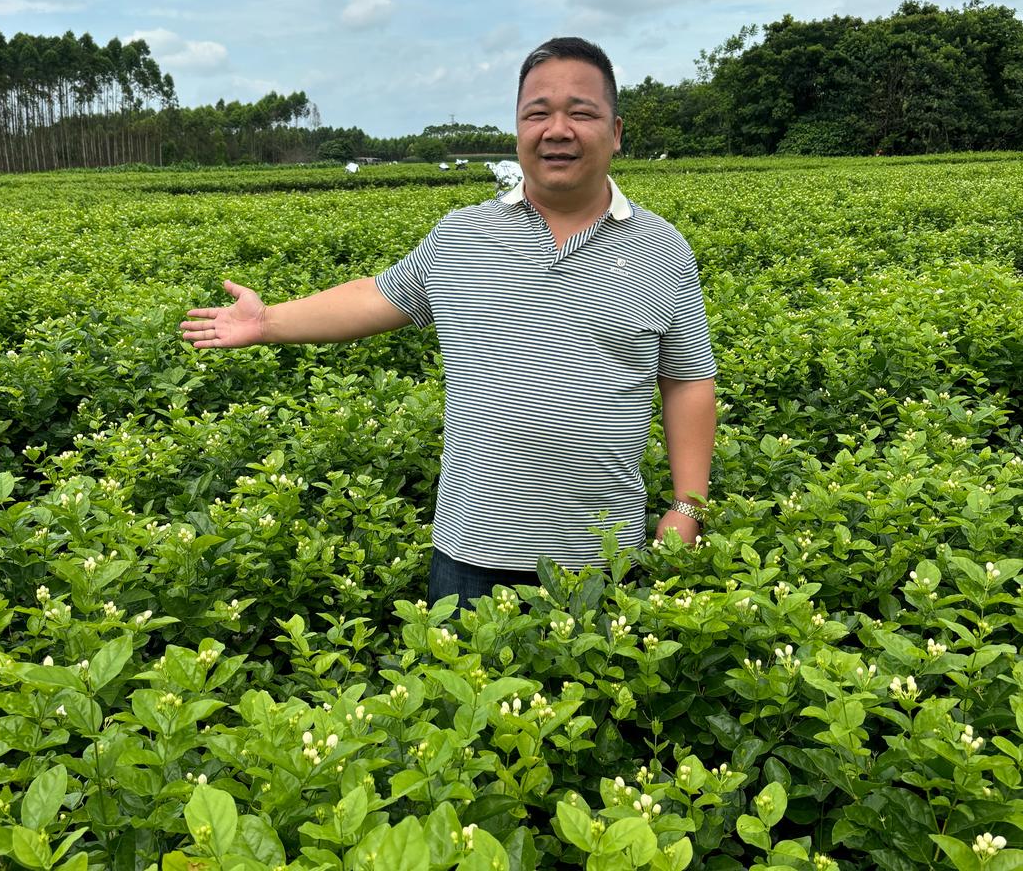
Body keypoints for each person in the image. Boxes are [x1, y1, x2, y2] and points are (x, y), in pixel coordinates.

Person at [180, 37, 717, 607]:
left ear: (615, 132)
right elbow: (373, 298)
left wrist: (688, 504)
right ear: (517, 129)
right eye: (537, 113)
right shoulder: (461, 236)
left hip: (602, 555)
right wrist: (268, 322)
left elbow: (687, 382)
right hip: (468, 556)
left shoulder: (661, 249)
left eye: (580, 113)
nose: (556, 130)